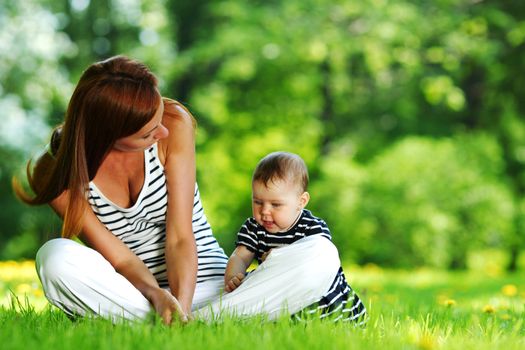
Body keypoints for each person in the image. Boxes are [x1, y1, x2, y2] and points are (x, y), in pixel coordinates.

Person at [13, 55, 343, 324]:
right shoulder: (55, 174)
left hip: (210, 287)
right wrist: (157, 296)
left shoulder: (174, 123)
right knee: (54, 258)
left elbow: (180, 237)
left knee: (321, 255)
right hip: (136, 294)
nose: (160, 133)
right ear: (107, 134)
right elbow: (121, 259)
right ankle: (195, 322)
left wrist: (181, 306)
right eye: (146, 133)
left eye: (158, 119)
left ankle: (194, 323)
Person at [222, 151, 367, 323]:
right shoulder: (254, 227)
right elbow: (240, 255)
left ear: (301, 202)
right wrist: (233, 277)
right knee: (271, 312)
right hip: (280, 291)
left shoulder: (311, 226)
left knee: (319, 317)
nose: (264, 211)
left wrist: (283, 256)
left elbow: (317, 261)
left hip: (318, 291)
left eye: (276, 204)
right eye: (258, 202)